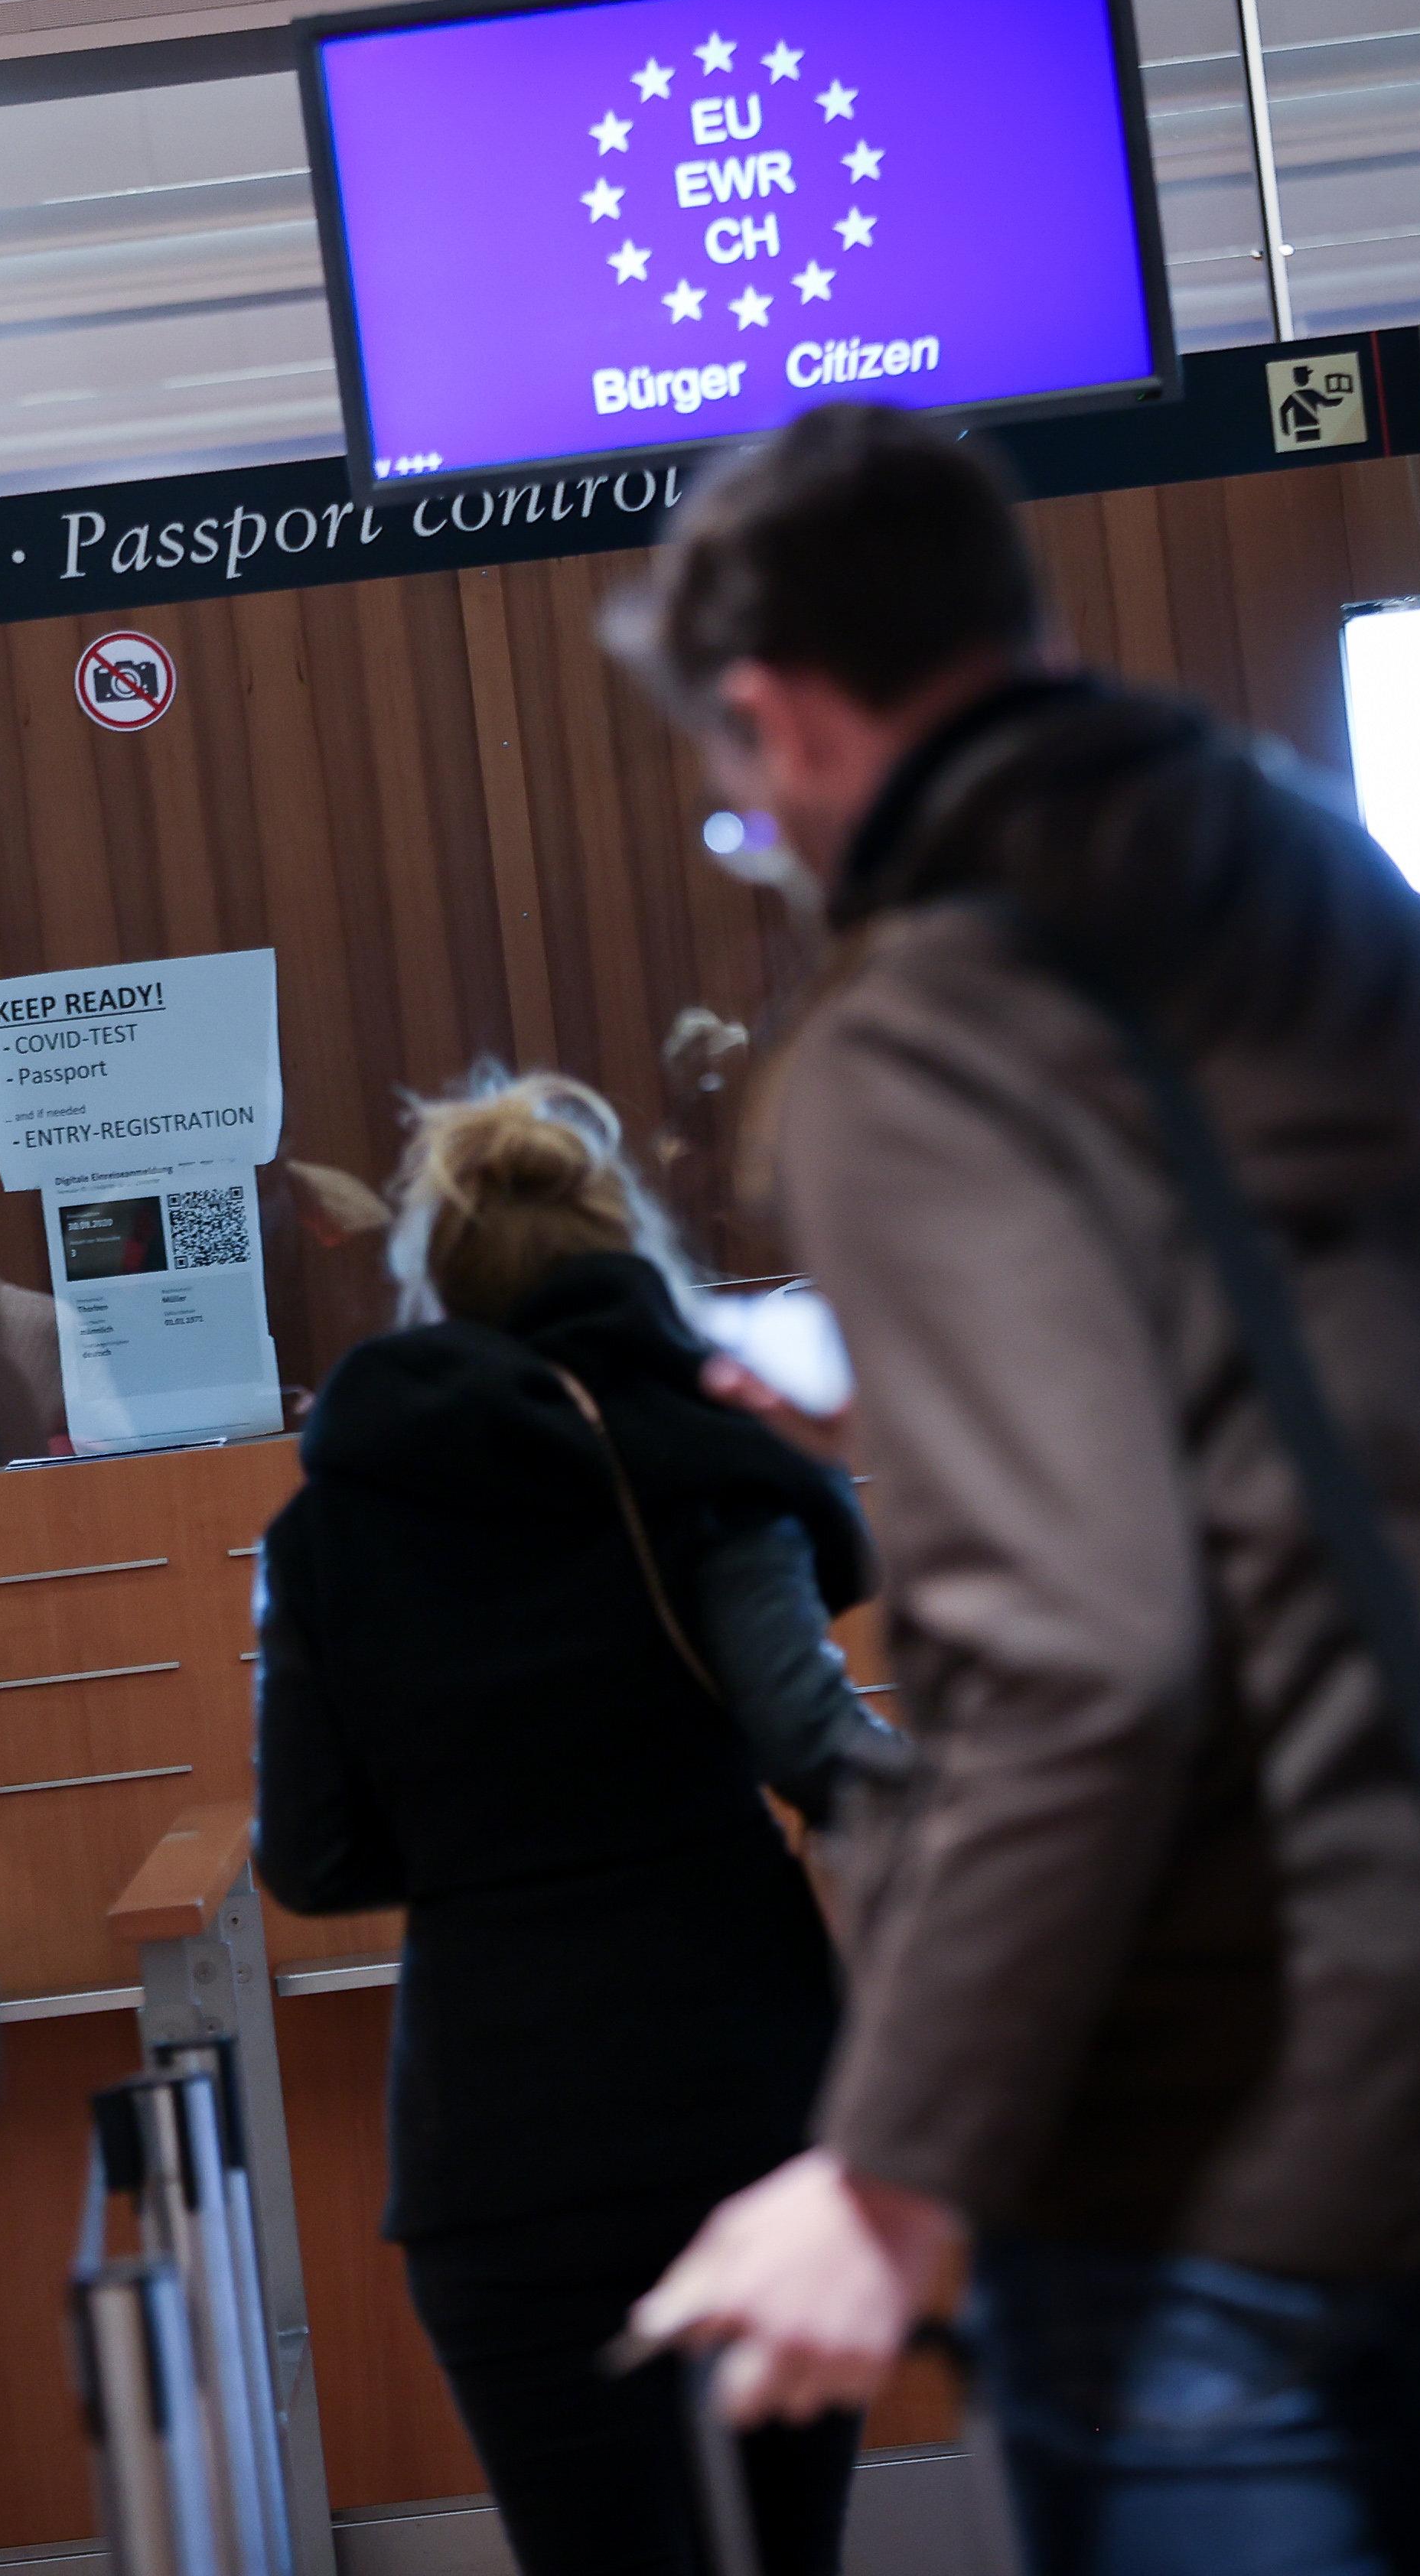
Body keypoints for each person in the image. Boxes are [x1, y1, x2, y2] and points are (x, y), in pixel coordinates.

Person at [610, 408, 1420, 2574]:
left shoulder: (921, 1036)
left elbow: (1087, 1659)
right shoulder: (1399, 941)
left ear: (771, 717)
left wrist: (889, 2168)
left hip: (1196, 2151)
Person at [252, 1071, 889, 2576]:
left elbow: (312, 1854)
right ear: (626, 1250)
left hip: (497, 2128)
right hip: (748, 2091)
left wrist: (493, 1849)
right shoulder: (700, 1465)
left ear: (438, 1287)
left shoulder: (329, 1523)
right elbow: (817, 1744)